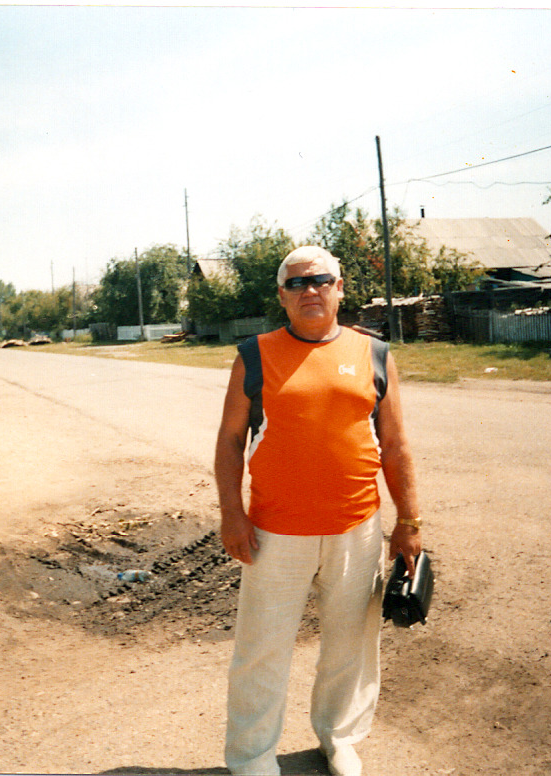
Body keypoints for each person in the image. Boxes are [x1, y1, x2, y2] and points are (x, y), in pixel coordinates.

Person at [214, 245, 423, 776]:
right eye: (298, 283)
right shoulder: (254, 355)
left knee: (350, 643)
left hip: (357, 526)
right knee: (263, 650)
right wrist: (232, 515)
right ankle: (252, 756)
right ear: (282, 296)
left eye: (321, 280)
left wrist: (410, 522)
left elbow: (395, 445)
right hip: (273, 531)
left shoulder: (374, 354)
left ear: (340, 289)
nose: (311, 290)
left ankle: (339, 736)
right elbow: (231, 439)